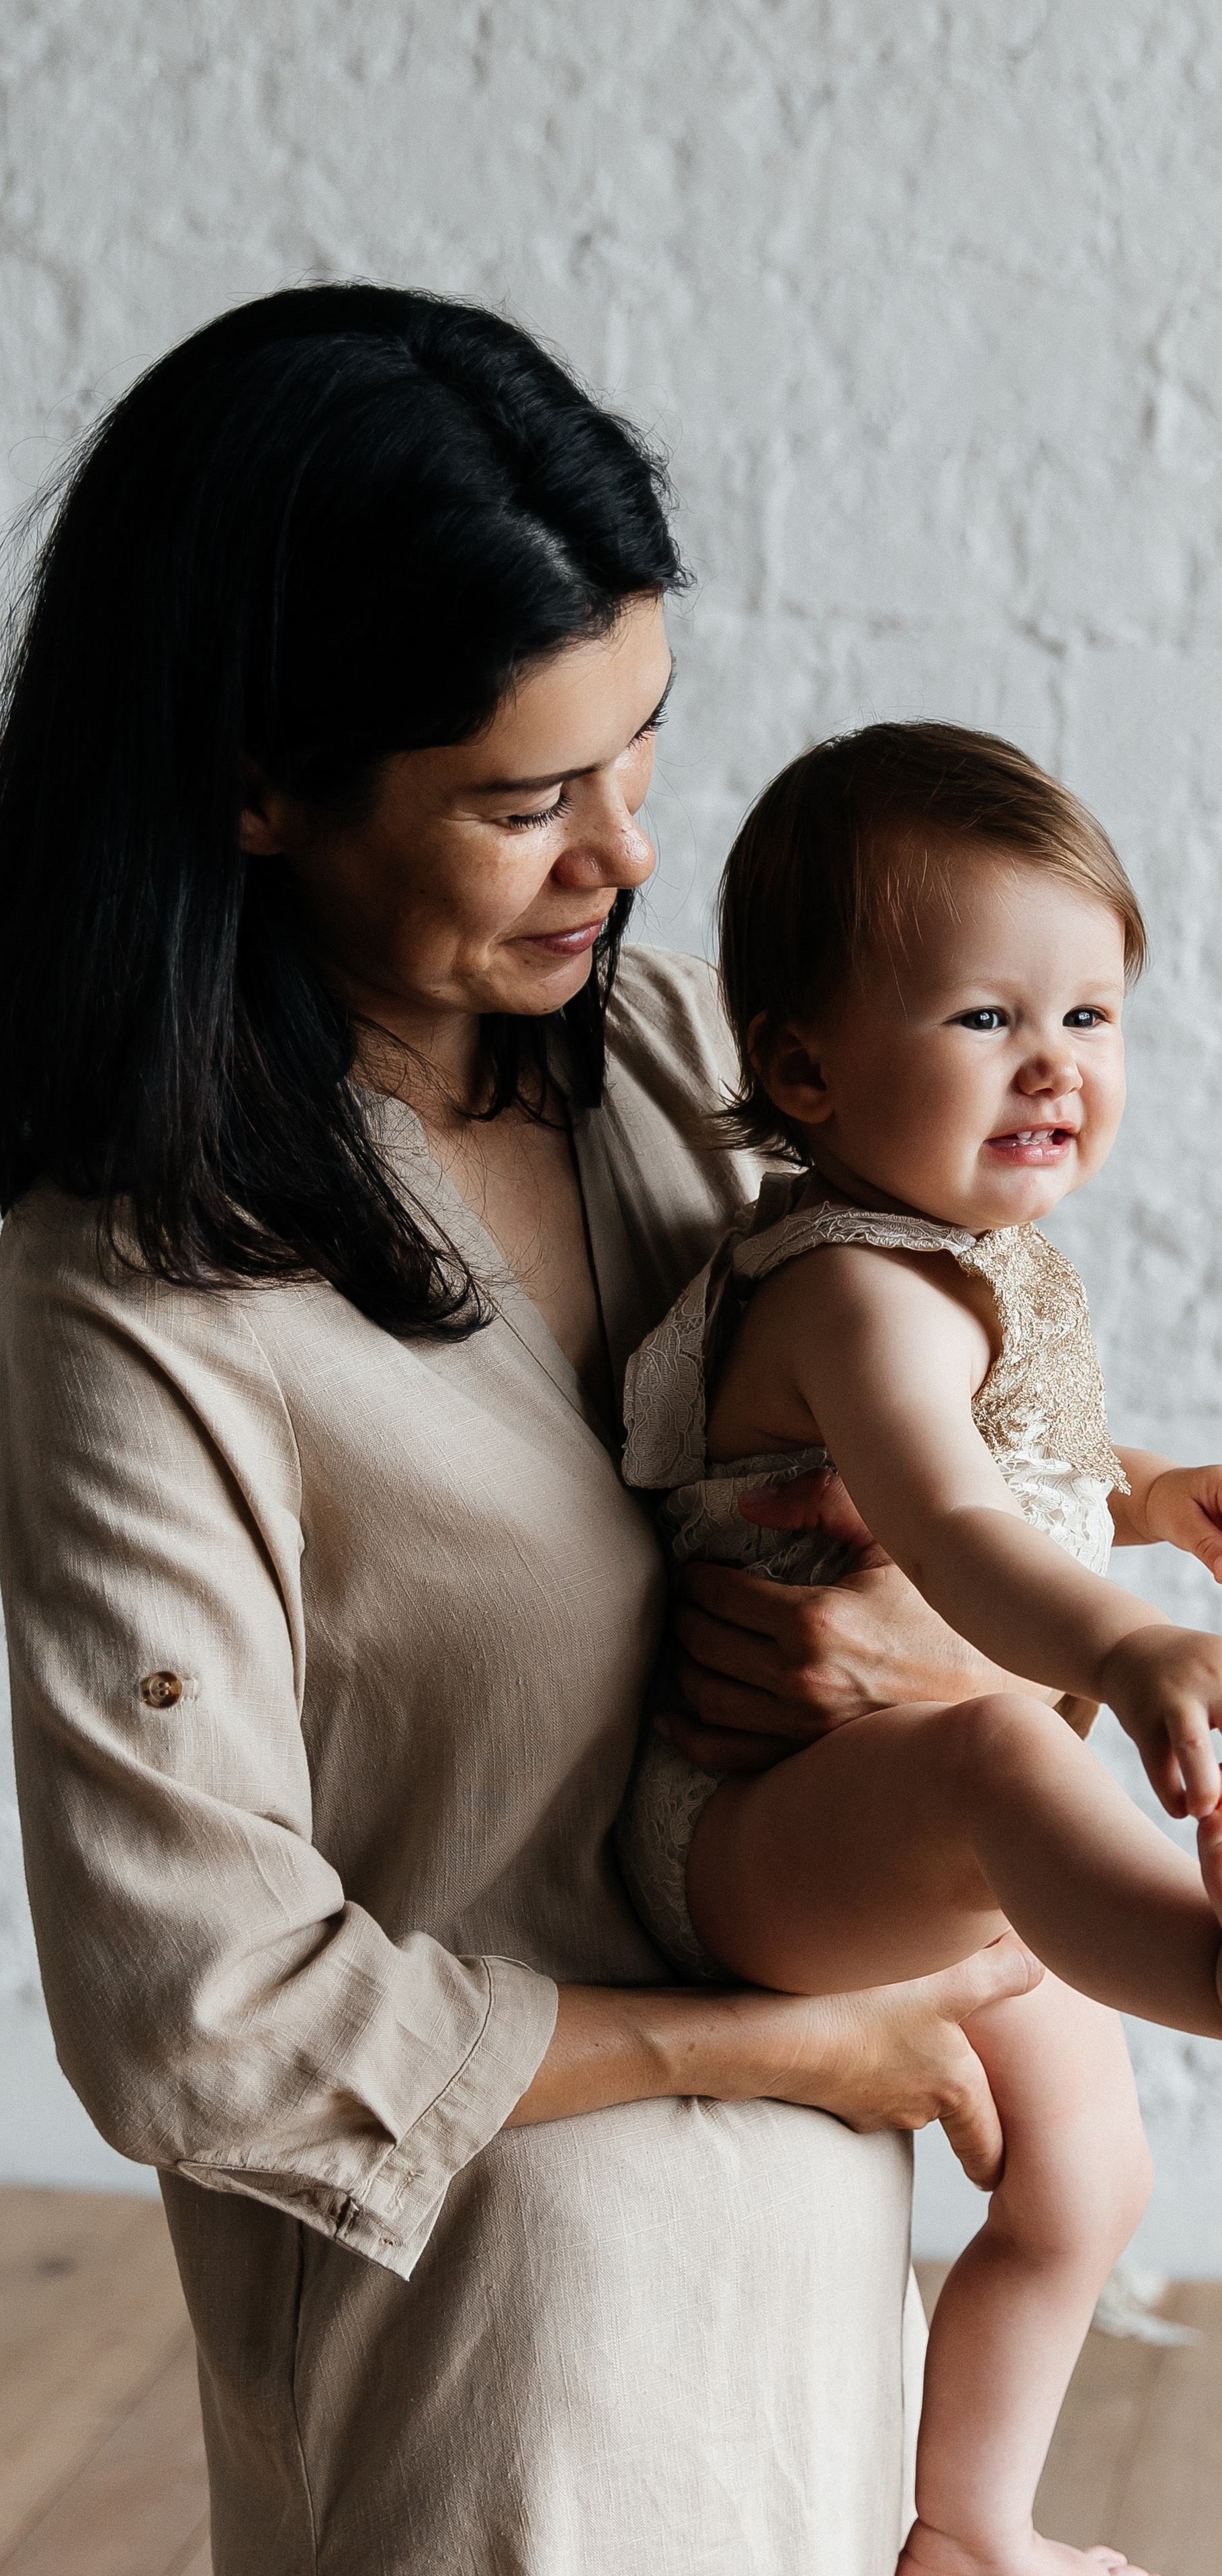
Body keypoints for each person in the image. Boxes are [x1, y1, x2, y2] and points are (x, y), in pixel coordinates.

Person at [0, 287, 1053, 2576]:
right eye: (523, 800)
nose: (627, 857)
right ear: (253, 785)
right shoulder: (137, 1296)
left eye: (642, 759)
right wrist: (753, 2047)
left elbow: (989, 1489)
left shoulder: (698, 1066)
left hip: (819, 2307)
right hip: (496, 2388)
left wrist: (937, 1670)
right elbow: (193, 2018)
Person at [615, 724, 1222, 2576]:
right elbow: (946, 1522)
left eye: (1092, 1020)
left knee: (1087, 2192)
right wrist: (1124, 1650)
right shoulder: (851, 1290)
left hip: (921, 1853)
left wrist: (1140, 1486)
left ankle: (975, 2528)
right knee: (1003, 1756)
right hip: (755, 1835)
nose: (1053, 1069)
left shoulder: (975, 1267)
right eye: (982, 1021)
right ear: (804, 1064)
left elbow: (1014, 1470)